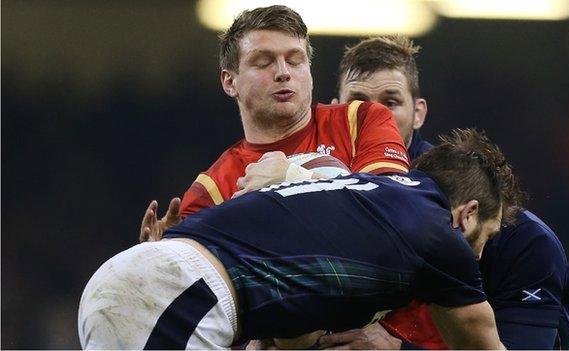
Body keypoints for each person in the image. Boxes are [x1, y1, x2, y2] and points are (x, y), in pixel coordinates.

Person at [79, 129, 516, 350]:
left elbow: (294, 331)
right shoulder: (437, 233)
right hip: (177, 295)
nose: (477, 256)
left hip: (155, 285)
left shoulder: (365, 203)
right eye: (486, 238)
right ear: (468, 214)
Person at [320, 36, 569, 349]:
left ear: (419, 113)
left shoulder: (517, 238)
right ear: (334, 115)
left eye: (390, 101)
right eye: (358, 101)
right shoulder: (317, 205)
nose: (374, 115)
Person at [139, 5, 409, 242]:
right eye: (263, 62)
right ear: (229, 82)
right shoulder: (212, 190)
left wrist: (292, 180)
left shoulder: (361, 120)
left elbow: (398, 214)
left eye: (294, 60)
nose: (283, 73)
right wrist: (170, 256)